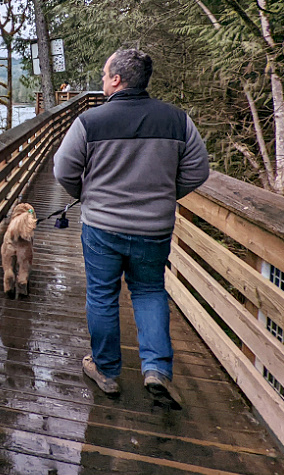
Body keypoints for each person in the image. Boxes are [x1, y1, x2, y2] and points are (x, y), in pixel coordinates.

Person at [53, 48, 209, 407]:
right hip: (153, 229)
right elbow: (198, 171)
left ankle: (106, 371)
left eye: (105, 75)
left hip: (102, 228)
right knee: (149, 292)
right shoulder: (177, 120)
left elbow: (63, 170)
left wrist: (86, 195)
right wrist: (166, 195)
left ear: (117, 80)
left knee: (102, 295)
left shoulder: (91, 122)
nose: (103, 80)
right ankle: (156, 368)